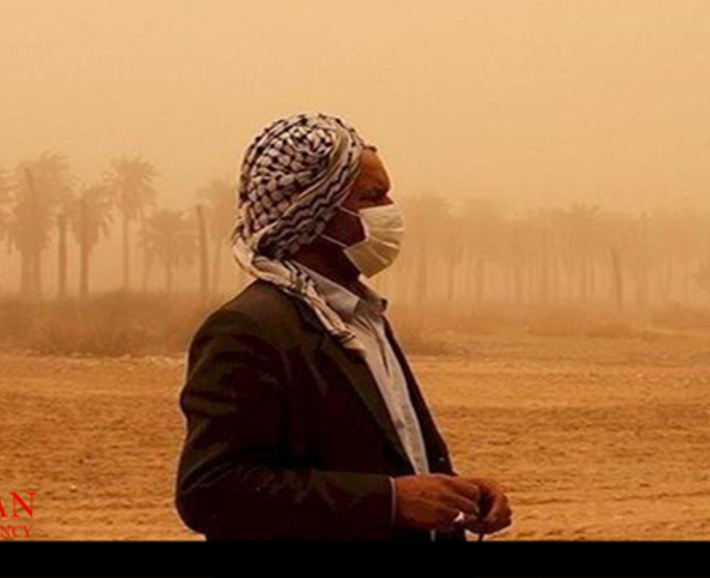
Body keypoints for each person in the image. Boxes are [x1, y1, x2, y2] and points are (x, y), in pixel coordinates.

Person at [174, 112, 513, 541]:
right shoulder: (248, 328)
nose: (391, 212)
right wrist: (389, 502)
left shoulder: (363, 317)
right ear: (313, 211)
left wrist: (457, 496)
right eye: (374, 197)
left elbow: (392, 456)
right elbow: (213, 491)